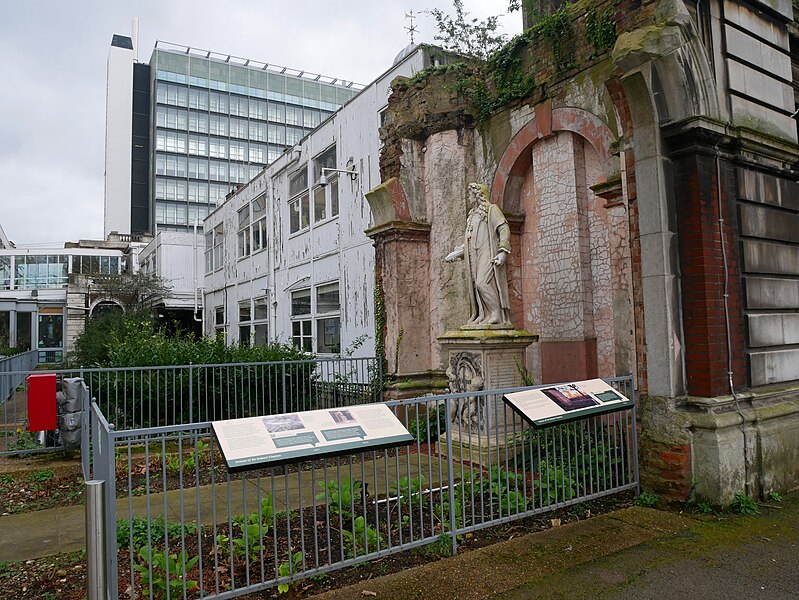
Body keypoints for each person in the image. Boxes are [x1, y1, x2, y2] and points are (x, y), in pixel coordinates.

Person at [446, 183, 512, 327]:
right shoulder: (472, 215)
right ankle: (483, 315)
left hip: (488, 251)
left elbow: (503, 228)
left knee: (482, 282)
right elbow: (470, 238)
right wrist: (458, 253)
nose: (469, 196)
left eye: (471, 193)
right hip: (474, 253)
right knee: (476, 284)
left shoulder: (491, 210)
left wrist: (503, 251)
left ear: (478, 195)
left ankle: (496, 314)